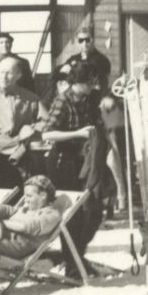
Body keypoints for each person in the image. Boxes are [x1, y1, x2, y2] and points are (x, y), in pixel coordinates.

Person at [39, 65, 109, 270]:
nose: (93, 86)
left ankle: (78, 255)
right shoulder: (63, 100)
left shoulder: (88, 100)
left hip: (83, 160)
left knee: (93, 211)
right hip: (63, 161)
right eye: (89, 83)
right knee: (72, 215)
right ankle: (72, 261)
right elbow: (47, 134)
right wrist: (77, 134)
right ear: (79, 82)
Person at [0, 57, 48, 173]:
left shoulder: (31, 98)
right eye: (2, 72)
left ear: (19, 75)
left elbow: (46, 121)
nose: (4, 77)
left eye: (9, 73)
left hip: (24, 152)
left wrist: (30, 128)